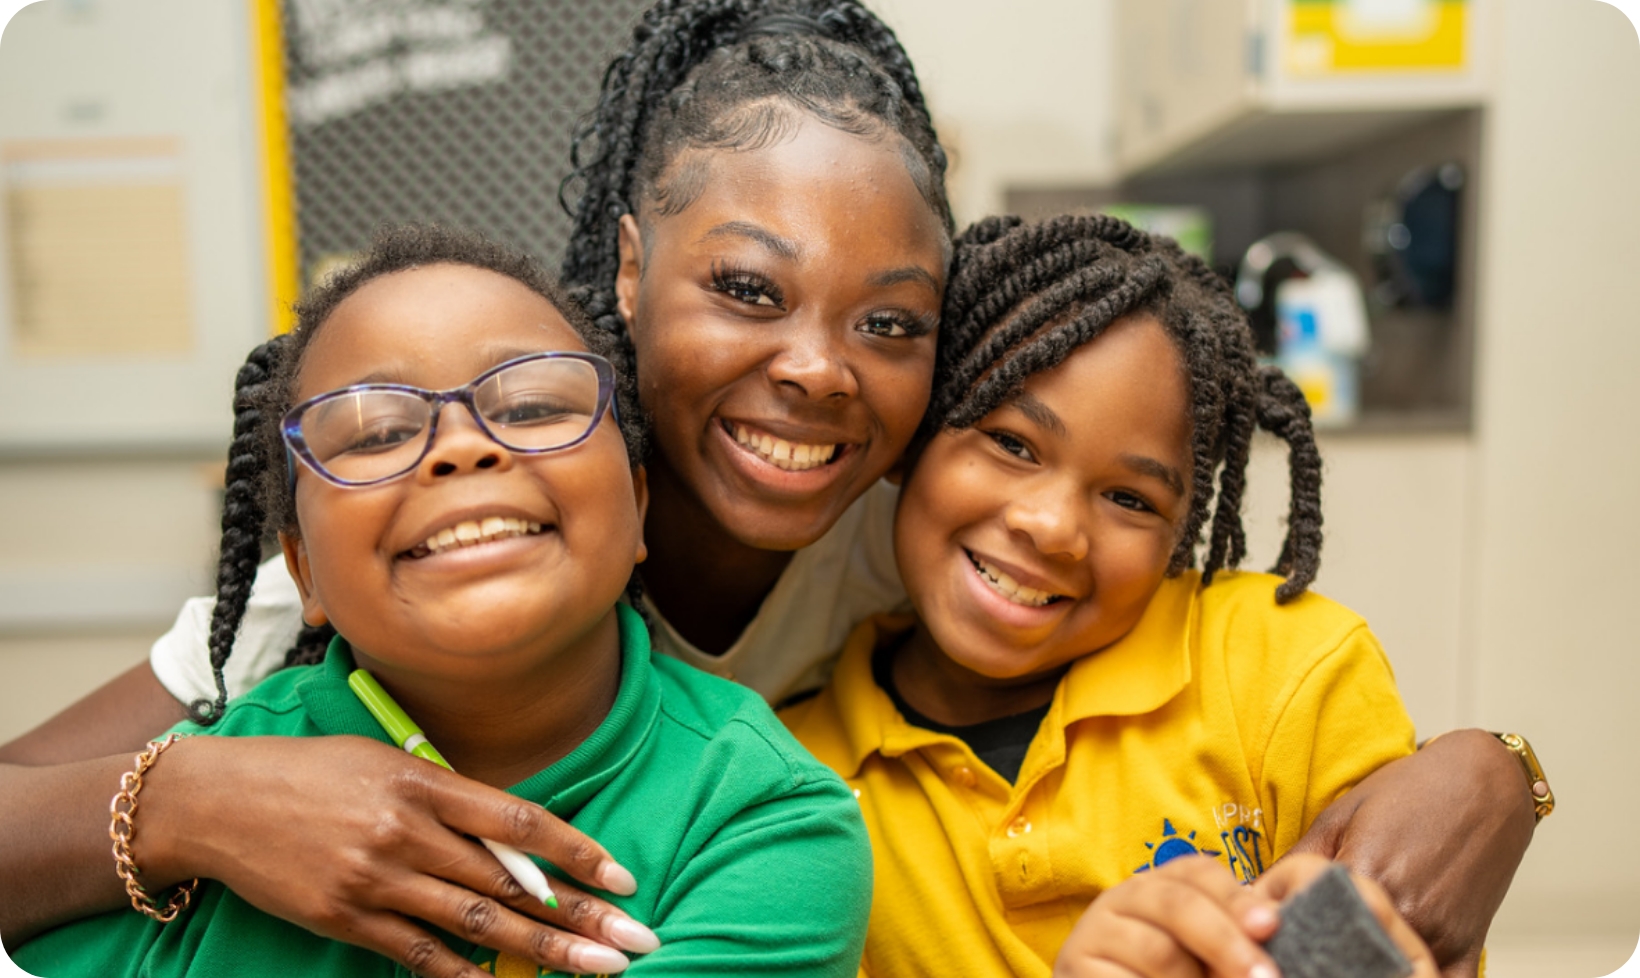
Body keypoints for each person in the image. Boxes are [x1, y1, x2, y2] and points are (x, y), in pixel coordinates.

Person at [0, 2, 1537, 974]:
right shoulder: (432, 539)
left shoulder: (915, 538)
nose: (817, 371)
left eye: (889, 323)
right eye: (746, 287)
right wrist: (187, 797)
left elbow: (1215, 685)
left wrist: (1493, 764)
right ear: (624, 264)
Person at [11, 224, 873, 978]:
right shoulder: (202, 796)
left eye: (533, 403)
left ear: (639, 508)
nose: (459, 448)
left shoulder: (764, 820)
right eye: (376, 432)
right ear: (303, 573)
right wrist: (177, 815)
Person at [779, 214, 1525, 978]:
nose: (1053, 527)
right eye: (1011, 444)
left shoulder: (1282, 668)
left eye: (1131, 500)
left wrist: (1496, 772)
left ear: (1182, 533)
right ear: (915, 437)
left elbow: (1411, 939)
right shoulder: (787, 782)